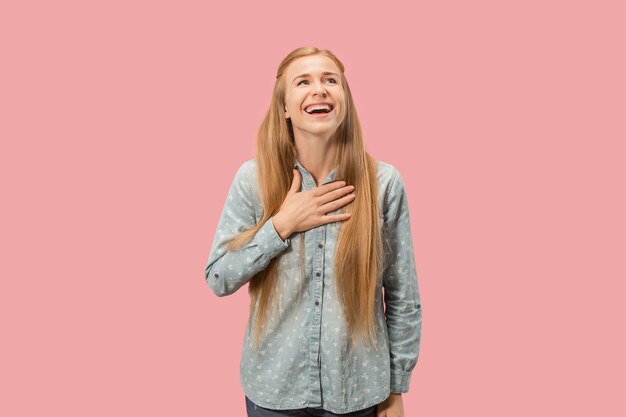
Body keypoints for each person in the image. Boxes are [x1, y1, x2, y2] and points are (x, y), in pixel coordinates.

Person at [204, 46, 422, 417]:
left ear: (345, 100)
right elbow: (218, 277)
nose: (319, 89)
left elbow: (402, 295)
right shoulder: (252, 180)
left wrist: (396, 387)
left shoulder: (383, 183)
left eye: (330, 80)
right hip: (274, 391)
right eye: (303, 81)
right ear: (285, 107)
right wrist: (281, 226)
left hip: (358, 391)